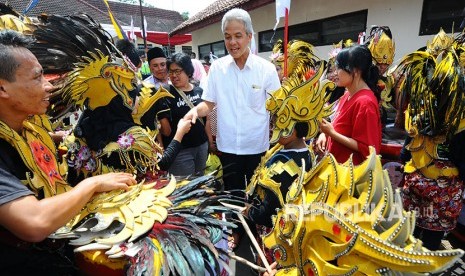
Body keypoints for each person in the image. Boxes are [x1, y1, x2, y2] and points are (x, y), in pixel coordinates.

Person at [0, 29, 137, 274]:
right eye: (37, 77)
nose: (48, 86)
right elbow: (34, 222)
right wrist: (91, 185)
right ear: (3, 89)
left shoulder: (33, 128)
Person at [184, 8, 281, 248]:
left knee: (260, 194)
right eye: (228, 37)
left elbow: (278, 107)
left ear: (249, 36)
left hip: (257, 146)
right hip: (229, 146)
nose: (232, 42)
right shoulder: (217, 68)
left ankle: (260, 233)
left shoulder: (266, 69)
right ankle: (237, 231)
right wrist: (194, 112)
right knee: (234, 194)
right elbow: (210, 104)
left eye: (238, 35)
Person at [316, 45, 382, 165]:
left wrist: (332, 133)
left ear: (355, 71)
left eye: (339, 68)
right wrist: (325, 135)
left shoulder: (365, 103)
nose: (335, 73)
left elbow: (368, 148)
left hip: (351, 175)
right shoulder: (347, 94)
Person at [164, 52, 208, 176]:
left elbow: (206, 119)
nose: (173, 75)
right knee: (185, 186)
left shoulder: (199, 90)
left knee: (201, 183)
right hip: (181, 151)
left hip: (201, 145)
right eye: (171, 72)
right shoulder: (166, 93)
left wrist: (209, 142)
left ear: (188, 71)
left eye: (178, 71)